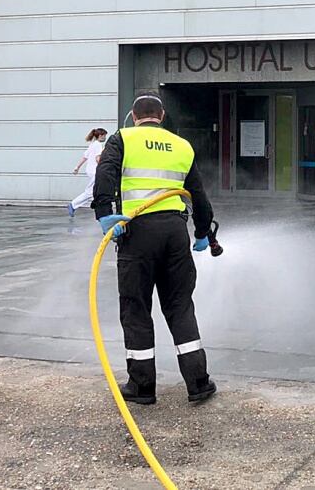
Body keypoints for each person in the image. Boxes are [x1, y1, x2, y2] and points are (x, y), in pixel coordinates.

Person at [92, 93, 217, 405]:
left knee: (136, 307)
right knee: (179, 305)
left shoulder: (123, 138)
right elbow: (198, 195)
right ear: (161, 116)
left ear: (135, 116)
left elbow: (105, 173)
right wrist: (203, 232)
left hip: (137, 231)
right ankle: (198, 383)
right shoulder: (181, 145)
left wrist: (104, 214)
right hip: (175, 232)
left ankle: (142, 385)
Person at [68, 128, 107, 217]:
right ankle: (73, 205)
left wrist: (77, 167)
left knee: (94, 190)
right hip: (95, 171)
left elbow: (85, 157)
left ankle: (76, 205)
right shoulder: (98, 145)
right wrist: (104, 165)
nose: (105, 138)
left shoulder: (92, 144)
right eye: (104, 136)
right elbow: (98, 158)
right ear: (101, 136)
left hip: (90, 170)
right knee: (90, 192)